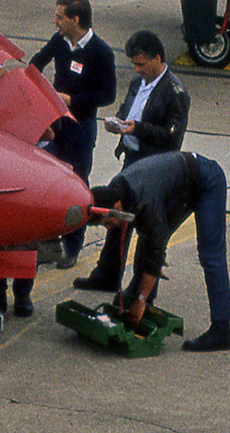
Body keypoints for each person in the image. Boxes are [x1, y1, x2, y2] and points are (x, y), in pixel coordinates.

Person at [0, 0, 115, 316]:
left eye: (60, 16)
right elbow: (37, 64)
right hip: (55, 121)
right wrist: (18, 82)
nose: (55, 21)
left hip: (80, 126)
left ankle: (72, 246)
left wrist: (72, 100)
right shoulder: (60, 41)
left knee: (77, 184)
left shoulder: (101, 52)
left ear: (75, 20)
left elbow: (107, 94)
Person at [76, 30, 190, 292]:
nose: (137, 70)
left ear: (157, 58)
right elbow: (128, 111)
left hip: (153, 168)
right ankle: (107, 275)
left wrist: (136, 129)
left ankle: (141, 288)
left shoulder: (176, 94)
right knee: (117, 219)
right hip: (132, 162)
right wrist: (117, 122)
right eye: (134, 64)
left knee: (148, 229)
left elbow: (172, 141)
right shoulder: (138, 83)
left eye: (141, 64)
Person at [89, 152, 230, 352]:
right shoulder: (116, 189)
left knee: (211, 256)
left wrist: (141, 299)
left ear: (117, 206)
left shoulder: (145, 199)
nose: (109, 227)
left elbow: (155, 245)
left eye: (108, 222)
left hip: (207, 181)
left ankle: (222, 330)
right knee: (150, 239)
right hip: (178, 186)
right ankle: (141, 296)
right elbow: (150, 237)